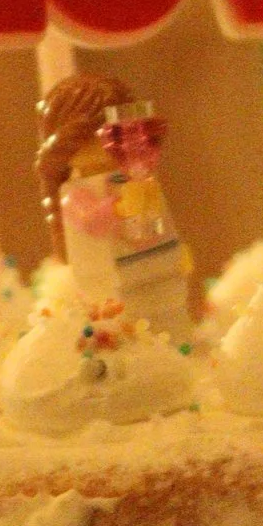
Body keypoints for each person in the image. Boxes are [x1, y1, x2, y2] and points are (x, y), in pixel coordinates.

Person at [35, 71, 192, 337]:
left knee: (171, 318)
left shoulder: (138, 179)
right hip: (113, 289)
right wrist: (117, 207)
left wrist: (172, 246)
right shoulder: (75, 193)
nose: (124, 140)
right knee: (135, 326)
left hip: (160, 271)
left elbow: (157, 219)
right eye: (109, 131)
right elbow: (90, 221)